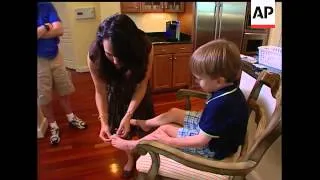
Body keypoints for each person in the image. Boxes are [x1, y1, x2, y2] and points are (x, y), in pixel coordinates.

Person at [111, 39, 249, 160]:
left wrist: (168, 141)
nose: (196, 80)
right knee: (174, 112)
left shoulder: (220, 104)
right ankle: (146, 123)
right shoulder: (229, 90)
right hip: (212, 131)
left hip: (212, 148)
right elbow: (216, 120)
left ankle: (133, 145)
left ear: (219, 80)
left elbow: (201, 141)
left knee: (163, 131)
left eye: (199, 78)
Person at [87, 14, 155, 177]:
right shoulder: (94, 53)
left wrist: (129, 114)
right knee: (122, 132)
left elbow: (142, 84)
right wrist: (103, 122)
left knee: (146, 129)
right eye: (110, 55)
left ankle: (148, 156)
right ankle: (131, 159)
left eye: (120, 55)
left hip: (139, 93)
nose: (116, 61)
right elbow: (100, 91)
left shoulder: (145, 46)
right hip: (115, 96)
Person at [37, 2, 87, 145]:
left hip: (55, 55)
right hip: (38, 60)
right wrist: (47, 26)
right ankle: (53, 126)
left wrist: (40, 31)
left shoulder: (46, 5)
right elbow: (53, 28)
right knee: (44, 96)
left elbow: (59, 30)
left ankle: (71, 118)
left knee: (64, 89)